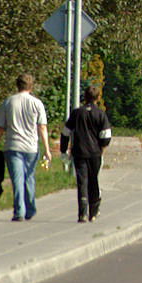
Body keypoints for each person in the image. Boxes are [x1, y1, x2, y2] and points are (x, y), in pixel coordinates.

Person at [0, 73, 51, 222]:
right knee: (29, 177)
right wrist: (47, 149)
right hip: (31, 147)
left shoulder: (8, 102)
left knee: (17, 178)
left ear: (17, 85)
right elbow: (42, 128)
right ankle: (30, 209)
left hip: (12, 145)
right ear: (31, 87)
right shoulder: (37, 104)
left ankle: (19, 211)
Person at [60, 85, 111, 223]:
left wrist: (64, 150)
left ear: (85, 97)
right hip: (95, 153)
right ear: (97, 98)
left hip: (79, 153)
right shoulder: (100, 114)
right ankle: (93, 212)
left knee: (82, 181)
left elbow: (65, 133)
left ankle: (82, 212)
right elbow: (105, 137)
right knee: (93, 180)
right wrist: (101, 152)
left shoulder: (77, 113)